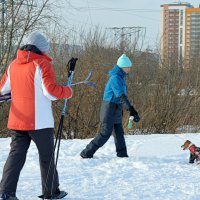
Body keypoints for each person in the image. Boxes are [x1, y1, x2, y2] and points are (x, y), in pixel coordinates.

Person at [0, 32, 72, 200]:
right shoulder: (42, 64)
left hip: (18, 121)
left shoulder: (13, 65)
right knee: (46, 156)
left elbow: (2, 90)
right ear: (40, 48)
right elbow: (50, 92)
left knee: (15, 157)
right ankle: (51, 192)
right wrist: (67, 91)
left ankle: (6, 192)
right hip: (40, 122)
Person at [80, 54, 140, 159]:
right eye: (128, 67)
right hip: (109, 109)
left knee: (119, 133)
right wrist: (131, 109)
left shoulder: (121, 77)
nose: (129, 69)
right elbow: (121, 96)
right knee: (105, 134)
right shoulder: (115, 78)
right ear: (122, 67)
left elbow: (121, 97)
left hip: (116, 109)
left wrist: (130, 109)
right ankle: (86, 152)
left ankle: (122, 155)